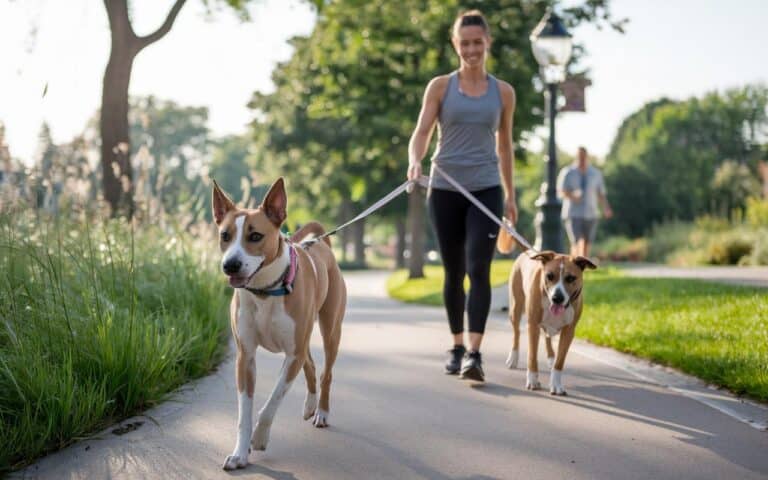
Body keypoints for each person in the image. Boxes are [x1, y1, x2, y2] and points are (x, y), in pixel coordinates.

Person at [406, 9, 518, 382]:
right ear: (456, 44)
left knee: (478, 267)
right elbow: (422, 131)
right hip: (444, 188)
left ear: (487, 43)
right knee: (454, 271)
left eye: (477, 42)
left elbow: (505, 146)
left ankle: (474, 353)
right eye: (464, 42)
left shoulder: (503, 92)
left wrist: (511, 195)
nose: (471, 49)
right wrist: (414, 161)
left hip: (485, 189)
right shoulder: (440, 86)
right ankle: (456, 346)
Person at [556, 146, 613, 257]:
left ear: (587, 157)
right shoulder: (567, 172)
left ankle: (583, 265)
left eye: (584, 156)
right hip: (573, 213)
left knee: (587, 241)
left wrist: (606, 207)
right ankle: (574, 263)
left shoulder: (596, 173)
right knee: (575, 241)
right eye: (580, 156)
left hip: (591, 212)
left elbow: (601, 193)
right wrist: (572, 196)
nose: (582, 159)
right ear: (576, 156)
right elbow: (561, 191)